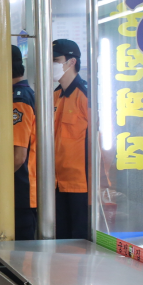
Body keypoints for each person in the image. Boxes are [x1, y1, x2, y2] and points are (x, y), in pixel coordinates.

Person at [52, 39, 89, 239]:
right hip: (56, 183)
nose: (51, 64)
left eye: (56, 60)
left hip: (80, 185)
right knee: (61, 239)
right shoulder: (55, 95)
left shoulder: (85, 95)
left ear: (71, 62)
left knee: (79, 241)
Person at [12, 46, 38, 240]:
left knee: (22, 256)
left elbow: (19, 157)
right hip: (18, 189)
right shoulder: (21, 95)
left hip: (21, 189)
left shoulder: (19, 100)